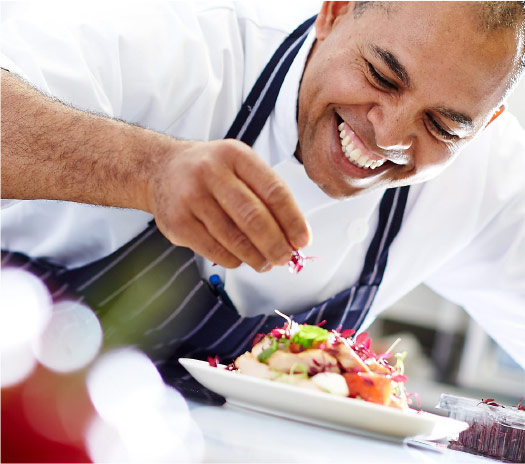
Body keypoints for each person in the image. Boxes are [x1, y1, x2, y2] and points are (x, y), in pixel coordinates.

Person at [2, 1, 525, 381]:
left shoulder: (489, 178)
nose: (387, 137)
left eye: (443, 127)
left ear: (485, 124)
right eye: (382, 76)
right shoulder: (178, 42)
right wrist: (147, 170)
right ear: (334, 12)